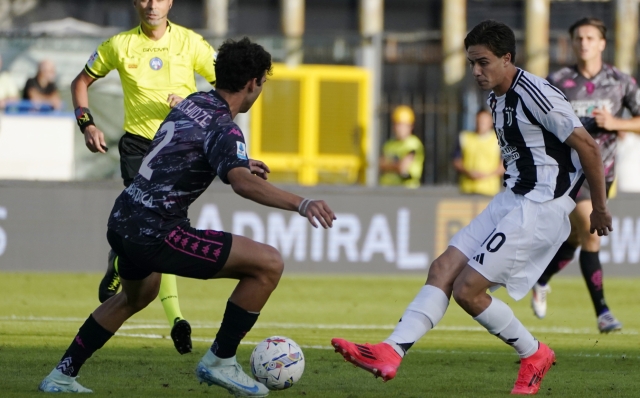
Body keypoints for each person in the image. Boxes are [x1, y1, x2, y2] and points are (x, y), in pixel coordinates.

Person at [39, 37, 336, 396]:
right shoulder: (224, 127)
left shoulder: (194, 101)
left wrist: (236, 161)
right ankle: (220, 360)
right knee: (269, 264)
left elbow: (186, 147)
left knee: (136, 296)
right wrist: (301, 203)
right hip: (157, 232)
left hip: (122, 218)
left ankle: (61, 375)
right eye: (263, 84)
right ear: (253, 83)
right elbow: (241, 184)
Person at [331, 20, 612, 395]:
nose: (476, 71)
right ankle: (391, 351)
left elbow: (589, 148)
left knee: (467, 290)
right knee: (442, 268)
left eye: (483, 62)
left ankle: (535, 353)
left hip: (541, 205)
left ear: (506, 58)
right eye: (471, 63)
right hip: (512, 198)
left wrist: (599, 207)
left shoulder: (536, 93)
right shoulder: (495, 97)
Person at [71, 0, 217, 354]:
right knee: (158, 229)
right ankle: (177, 318)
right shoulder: (119, 45)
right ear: (136, 2)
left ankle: (119, 261)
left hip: (179, 147)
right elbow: (80, 82)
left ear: (171, 2)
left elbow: (226, 89)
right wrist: (86, 125)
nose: (153, 5)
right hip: (138, 148)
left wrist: (190, 103)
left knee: (163, 232)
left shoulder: (191, 43)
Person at [531, 17, 640, 332]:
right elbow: (539, 121)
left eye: (591, 38)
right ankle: (603, 313)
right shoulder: (558, 81)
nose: (584, 43)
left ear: (602, 43)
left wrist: (615, 124)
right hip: (569, 173)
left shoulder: (621, 82)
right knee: (592, 235)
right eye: (579, 38)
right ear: (572, 42)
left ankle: (541, 279)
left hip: (604, 174)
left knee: (577, 237)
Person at [453, 109, 504, 196]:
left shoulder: (498, 140)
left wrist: (487, 175)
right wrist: (468, 172)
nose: (481, 124)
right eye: (479, 121)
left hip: (490, 191)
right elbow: (456, 160)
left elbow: (504, 164)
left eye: (484, 121)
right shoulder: (465, 137)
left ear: (490, 122)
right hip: (467, 189)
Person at [379, 105, 425, 188]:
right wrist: (396, 165)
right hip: (387, 190)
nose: (400, 129)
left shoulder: (413, 144)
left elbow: (402, 167)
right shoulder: (389, 144)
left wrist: (389, 166)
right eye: (398, 125)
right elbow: (380, 165)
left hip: (406, 191)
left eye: (404, 125)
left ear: (411, 126)